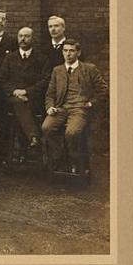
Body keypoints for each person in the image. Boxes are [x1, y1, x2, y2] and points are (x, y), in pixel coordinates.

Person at [42, 39, 108, 173]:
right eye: (65, 51)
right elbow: (50, 94)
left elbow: (103, 90)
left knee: (72, 132)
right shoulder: (57, 70)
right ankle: (58, 157)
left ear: (78, 52)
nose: (68, 54)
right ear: (62, 52)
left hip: (80, 109)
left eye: (71, 51)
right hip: (61, 108)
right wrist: (50, 107)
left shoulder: (89, 69)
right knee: (46, 128)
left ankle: (74, 161)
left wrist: (91, 103)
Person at [0, 26, 51, 149]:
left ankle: (25, 151)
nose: (23, 39)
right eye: (20, 36)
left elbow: (46, 80)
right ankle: (33, 137)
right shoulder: (10, 57)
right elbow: (2, 78)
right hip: (13, 98)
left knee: (23, 107)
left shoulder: (41, 58)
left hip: (33, 99)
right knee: (18, 102)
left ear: (32, 39)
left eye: (26, 36)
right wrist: (14, 91)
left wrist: (27, 91)